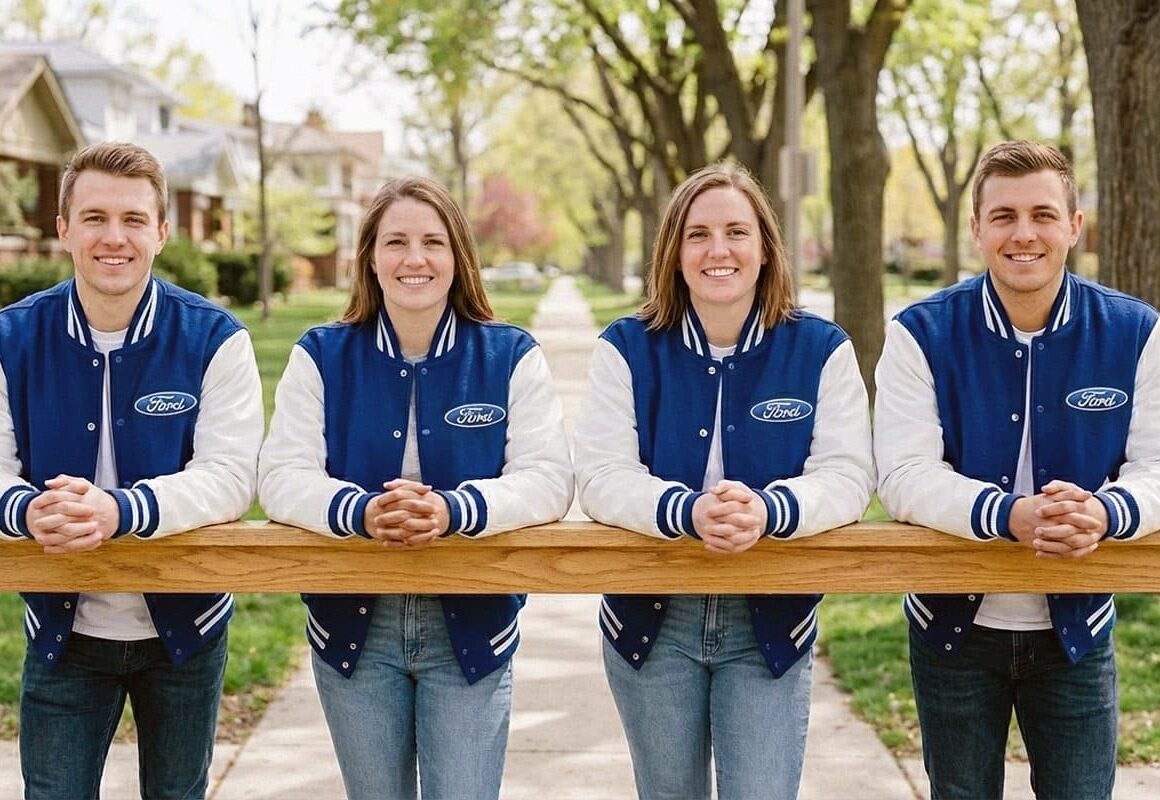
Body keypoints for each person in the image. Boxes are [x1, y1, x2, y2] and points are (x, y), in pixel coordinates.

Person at [258, 176, 573, 800]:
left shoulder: (510, 355)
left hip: (473, 624)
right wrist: (361, 512)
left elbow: (548, 478)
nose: (415, 258)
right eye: (396, 242)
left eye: (433, 242)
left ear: (458, 257)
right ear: (371, 258)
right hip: (353, 627)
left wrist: (454, 510)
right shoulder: (320, 355)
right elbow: (281, 475)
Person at [573, 163, 875, 800]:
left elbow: (849, 475)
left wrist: (768, 510)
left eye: (737, 232)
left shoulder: (821, 349)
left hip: (771, 618)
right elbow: (600, 475)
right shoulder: (626, 347)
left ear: (764, 249)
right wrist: (687, 512)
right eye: (698, 234)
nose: (719, 250)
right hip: (651, 621)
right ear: (674, 252)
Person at [874, 140, 1160, 799]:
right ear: (976, 229)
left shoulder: (1135, 332)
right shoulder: (920, 332)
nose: (1023, 233)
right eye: (1003, 216)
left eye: (1042, 214)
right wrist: (1008, 515)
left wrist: (1105, 512)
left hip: (1077, 627)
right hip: (952, 629)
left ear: (1074, 226)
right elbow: (904, 475)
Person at [0, 142, 264, 799]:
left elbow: (232, 476)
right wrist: (29, 511)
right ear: (64, 229)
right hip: (63, 630)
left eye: (134, 220)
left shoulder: (215, 337)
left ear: (162, 232)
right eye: (94, 218)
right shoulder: (11, 338)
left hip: (186, 631)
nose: (113, 237)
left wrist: (118, 511)